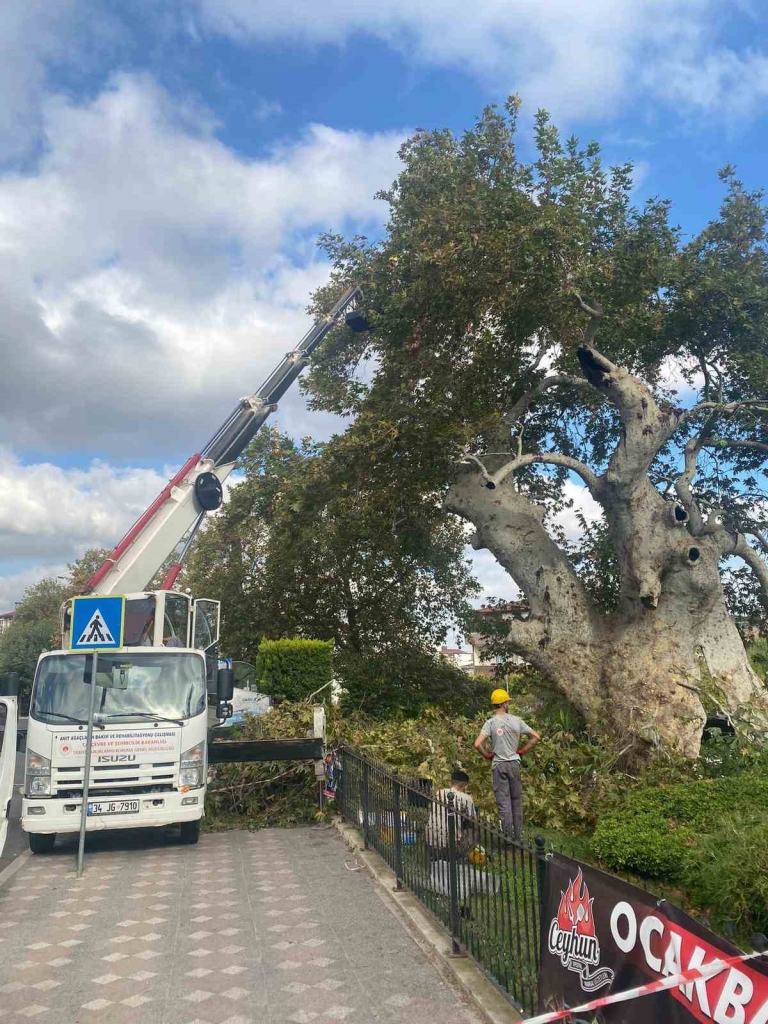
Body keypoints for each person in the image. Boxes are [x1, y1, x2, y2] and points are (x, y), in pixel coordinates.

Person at [473, 688, 540, 840]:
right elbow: (535, 737)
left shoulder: (490, 723)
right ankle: (518, 836)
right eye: (508, 701)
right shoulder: (517, 721)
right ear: (503, 703)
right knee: (516, 800)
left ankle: (508, 838)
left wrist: (487, 755)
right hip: (514, 765)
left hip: (499, 766)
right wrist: (522, 751)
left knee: (504, 803)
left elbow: (477, 744)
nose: (508, 703)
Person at [425, 769, 478, 860]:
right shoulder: (466, 798)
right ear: (463, 785)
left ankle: (434, 855)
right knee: (474, 829)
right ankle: (464, 853)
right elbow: (473, 821)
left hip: (430, 843)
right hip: (449, 847)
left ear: (451, 782)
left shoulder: (439, 793)